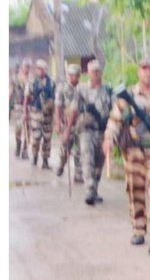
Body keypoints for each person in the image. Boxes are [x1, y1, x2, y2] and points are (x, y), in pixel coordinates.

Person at [105, 58, 150, 249]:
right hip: (133, 152)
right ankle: (138, 229)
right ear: (139, 72)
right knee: (135, 191)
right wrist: (108, 140)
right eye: (144, 69)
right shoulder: (127, 95)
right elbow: (114, 121)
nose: (148, 73)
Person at [65, 60, 113, 206]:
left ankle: (95, 189)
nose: (96, 74)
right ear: (88, 73)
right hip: (86, 129)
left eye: (98, 71)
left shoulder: (108, 90)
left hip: (102, 131)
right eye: (93, 71)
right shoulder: (81, 90)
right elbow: (74, 110)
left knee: (99, 162)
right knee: (87, 158)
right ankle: (89, 189)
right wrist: (68, 129)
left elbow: (116, 110)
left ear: (101, 72)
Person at [55, 62, 84, 183]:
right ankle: (62, 164)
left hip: (80, 123)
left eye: (75, 75)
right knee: (65, 148)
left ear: (79, 76)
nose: (72, 77)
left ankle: (78, 174)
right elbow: (58, 107)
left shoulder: (82, 88)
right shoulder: (62, 88)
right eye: (70, 74)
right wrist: (57, 124)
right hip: (66, 123)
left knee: (80, 150)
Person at [24, 58, 55, 169]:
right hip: (36, 114)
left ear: (45, 70)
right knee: (36, 138)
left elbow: (55, 99)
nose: (40, 71)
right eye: (38, 69)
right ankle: (35, 157)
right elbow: (27, 98)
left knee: (47, 139)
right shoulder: (32, 82)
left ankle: (45, 161)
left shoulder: (51, 83)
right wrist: (25, 113)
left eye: (42, 69)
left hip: (48, 116)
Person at [10, 59, 29, 158]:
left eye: (28, 67)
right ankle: (18, 145)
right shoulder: (15, 79)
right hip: (17, 107)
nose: (27, 68)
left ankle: (25, 150)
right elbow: (10, 93)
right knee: (18, 129)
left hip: (29, 107)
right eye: (25, 66)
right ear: (22, 67)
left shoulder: (31, 79)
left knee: (27, 130)